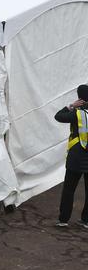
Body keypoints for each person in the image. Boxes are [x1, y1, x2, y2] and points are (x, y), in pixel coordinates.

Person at [55, 86, 88, 228]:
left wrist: (71, 106)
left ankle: (64, 220)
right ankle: (86, 220)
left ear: (80, 98)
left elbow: (58, 116)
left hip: (76, 156)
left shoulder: (77, 114)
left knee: (69, 189)